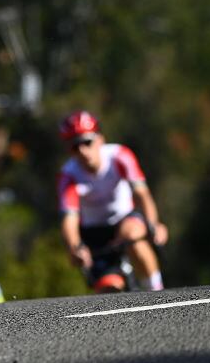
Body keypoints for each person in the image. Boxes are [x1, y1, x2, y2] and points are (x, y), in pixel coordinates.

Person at [57, 110, 167, 292]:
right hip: (95, 233)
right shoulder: (68, 175)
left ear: (100, 139)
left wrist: (153, 224)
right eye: (75, 147)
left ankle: (156, 290)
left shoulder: (119, 156)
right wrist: (75, 247)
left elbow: (141, 194)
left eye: (87, 142)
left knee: (133, 236)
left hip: (125, 220)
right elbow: (69, 217)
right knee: (109, 289)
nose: (83, 151)